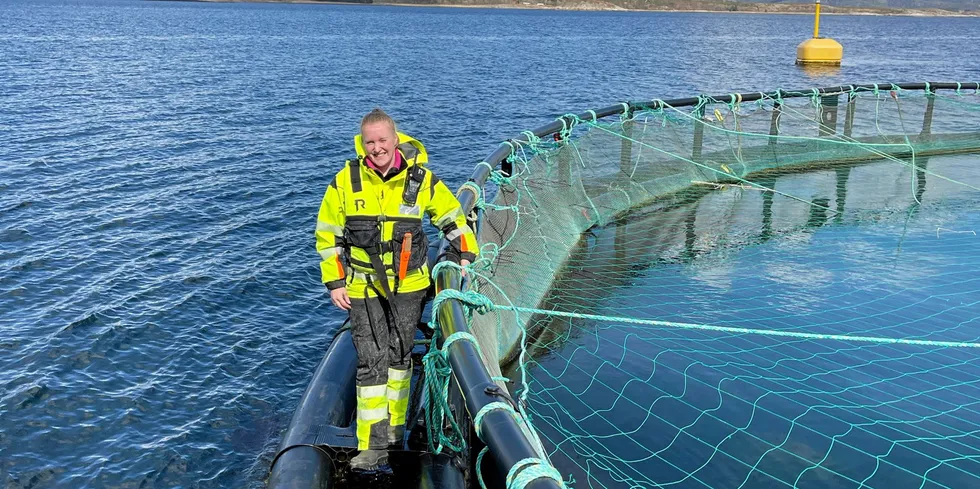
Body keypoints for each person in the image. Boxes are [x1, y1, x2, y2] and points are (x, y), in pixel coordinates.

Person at [315, 108, 478, 471]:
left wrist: (465, 252)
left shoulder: (422, 181)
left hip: (410, 287)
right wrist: (335, 282)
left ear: (395, 139)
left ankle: (394, 432)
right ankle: (371, 445)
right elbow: (328, 236)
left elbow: (452, 217)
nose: (377, 148)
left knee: (401, 358)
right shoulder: (346, 181)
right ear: (363, 143)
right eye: (370, 142)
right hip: (364, 287)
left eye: (382, 140)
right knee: (370, 362)